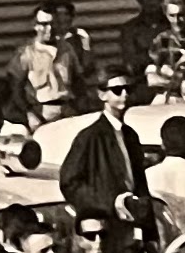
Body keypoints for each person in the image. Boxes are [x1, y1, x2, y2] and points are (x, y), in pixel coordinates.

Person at [59, 70, 156, 230]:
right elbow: (69, 182)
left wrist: (149, 229)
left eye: (128, 89)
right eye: (117, 90)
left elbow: (139, 182)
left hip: (134, 225)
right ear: (102, 95)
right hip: (106, 226)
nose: (124, 94)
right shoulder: (90, 136)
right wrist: (110, 202)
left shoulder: (130, 135)